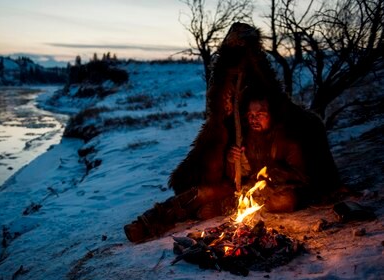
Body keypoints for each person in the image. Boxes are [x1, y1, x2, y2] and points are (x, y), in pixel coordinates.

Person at [124, 22, 342, 243]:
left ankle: (220, 209)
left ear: (271, 113)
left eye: (261, 113)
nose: (254, 118)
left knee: (285, 201)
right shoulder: (243, 133)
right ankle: (148, 223)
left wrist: (268, 177)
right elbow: (231, 177)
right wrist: (231, 160)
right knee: (201, 194)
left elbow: (302, 176)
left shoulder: (286, 138)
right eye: (251, 114)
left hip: (268, 194)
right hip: (238, 193)